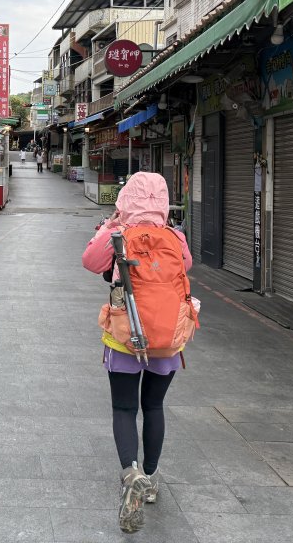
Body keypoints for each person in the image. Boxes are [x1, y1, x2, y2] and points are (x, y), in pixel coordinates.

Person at [81, 172, 193, 533]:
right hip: (167, 339)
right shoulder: (176, 238)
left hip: (126, 336)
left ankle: (130, 474)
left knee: (125, 408)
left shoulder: (117, 236)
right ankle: (151, 477)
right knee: (155, 406)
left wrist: (114, 224)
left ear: (125, 199)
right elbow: (186, 267)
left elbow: (90, 261)